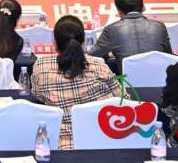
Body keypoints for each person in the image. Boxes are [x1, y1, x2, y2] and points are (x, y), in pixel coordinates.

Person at [31, 15, 121, 149]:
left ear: (55, 41)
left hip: (60, 145)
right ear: (83, 41)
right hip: (101, 142)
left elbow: (37, 95)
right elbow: (123, 99)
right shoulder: (99, 66)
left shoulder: (41, 66)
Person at [90, 0, 171, 71]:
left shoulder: (111, 30)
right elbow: (168, 55)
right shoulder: (160, 26)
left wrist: (109, 54)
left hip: (126, 79)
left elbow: (92, 56)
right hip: (159, 78)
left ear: (119, 11)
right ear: (143, 8)